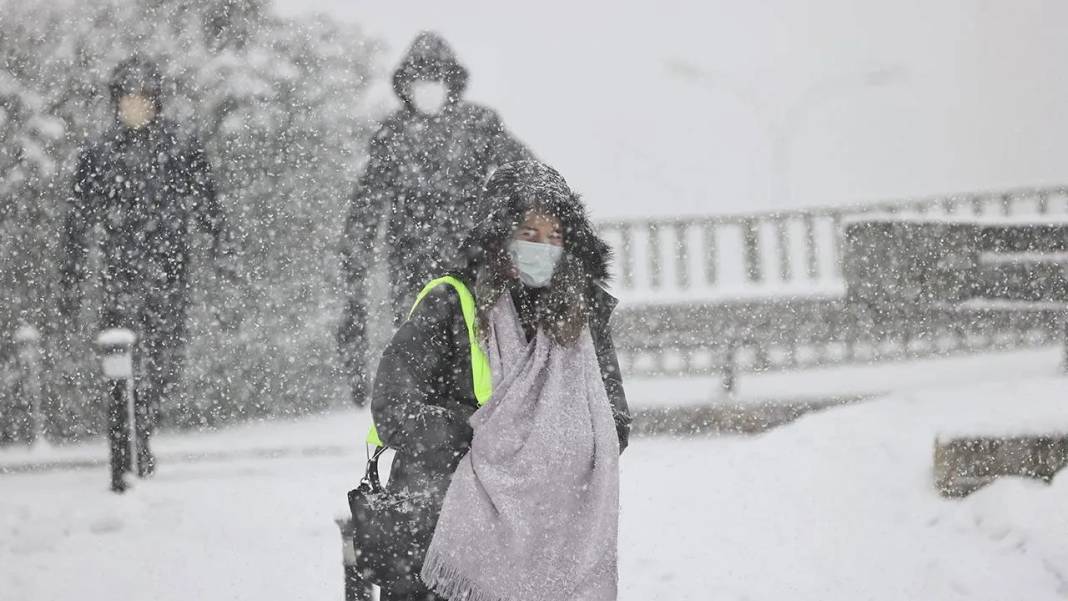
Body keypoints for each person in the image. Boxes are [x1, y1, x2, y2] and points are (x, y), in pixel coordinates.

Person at [370, 161, 630, 601]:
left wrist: (548, 447)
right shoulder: (451, 303)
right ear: (499, 238)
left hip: (551, 528)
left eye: (555, 236)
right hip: (446, 520)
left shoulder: (581, 319)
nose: (542, 248)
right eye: (529, 234)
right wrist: (472, 439)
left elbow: (614, 419)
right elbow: (394, 402)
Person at [59, 55, 233, 493]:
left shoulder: (181, 146)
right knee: (121, 366)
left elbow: (209, 206)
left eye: (142, 98)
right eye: (127, 99)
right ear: (116, 103)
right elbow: (77, 222)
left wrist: (221, 254)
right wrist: (72, 278)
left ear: (155, 101)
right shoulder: (99, 154)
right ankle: (127, 450)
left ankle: (145, 428)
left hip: (170, 273)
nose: (135, 106)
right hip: (120, 276)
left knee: (163, 364)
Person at [338, 31, 531, 406]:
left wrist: (523, 223)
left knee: (476, 352)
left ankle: (480, 423)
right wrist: (355, 252)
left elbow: (523, 171)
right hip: (413, 269)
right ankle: (433, 430)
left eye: (435, 79)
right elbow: (366, 205)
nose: (428, 88)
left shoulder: (478, 125)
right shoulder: (392, 136)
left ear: (450, 82)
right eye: (419, 80)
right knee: (423, 356)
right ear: (406, 86)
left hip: (473, 262)